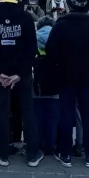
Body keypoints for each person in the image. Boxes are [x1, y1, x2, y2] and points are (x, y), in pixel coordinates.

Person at [0, 0, 44, 167]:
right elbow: (32, 48)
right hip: (21, 74)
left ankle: (3, 153)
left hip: (1, 74)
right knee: (28, 111)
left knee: (2, 111)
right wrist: (20, 73)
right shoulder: (25, 17)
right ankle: (32, 153)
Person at [45, 0, 89, 168]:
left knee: (66, 115)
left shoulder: (61, 25)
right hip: (88, 78)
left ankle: (65, 153)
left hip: (65, 76)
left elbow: (50, 51)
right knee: (88, 116)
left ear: (69, 5)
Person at [32, 16, 58, 156]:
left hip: (37, 82)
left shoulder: (33, 37)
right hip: (54, 83)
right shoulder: (57, 38)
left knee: (37, 116)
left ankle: (36, 144)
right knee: (52, 117)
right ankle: (50, 145)